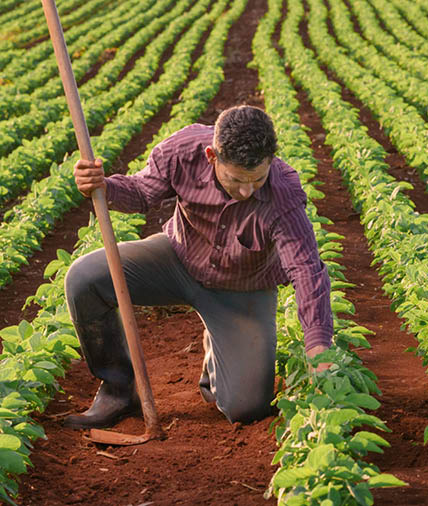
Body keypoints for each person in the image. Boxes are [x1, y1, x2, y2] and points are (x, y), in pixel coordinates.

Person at [65, 106, 332, 428]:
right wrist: (104, 186)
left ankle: (217, 356)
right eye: (236, 179)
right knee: (85, 278)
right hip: (178, 260)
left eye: (257, 179)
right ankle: (118, 392)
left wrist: (318, 346)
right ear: (211, 156)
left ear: (271, 161)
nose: (247, 191)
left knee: (246, 409)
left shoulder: (284, 194)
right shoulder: (181, 152)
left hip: (241, 288)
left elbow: (306, 269)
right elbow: (141, 193)